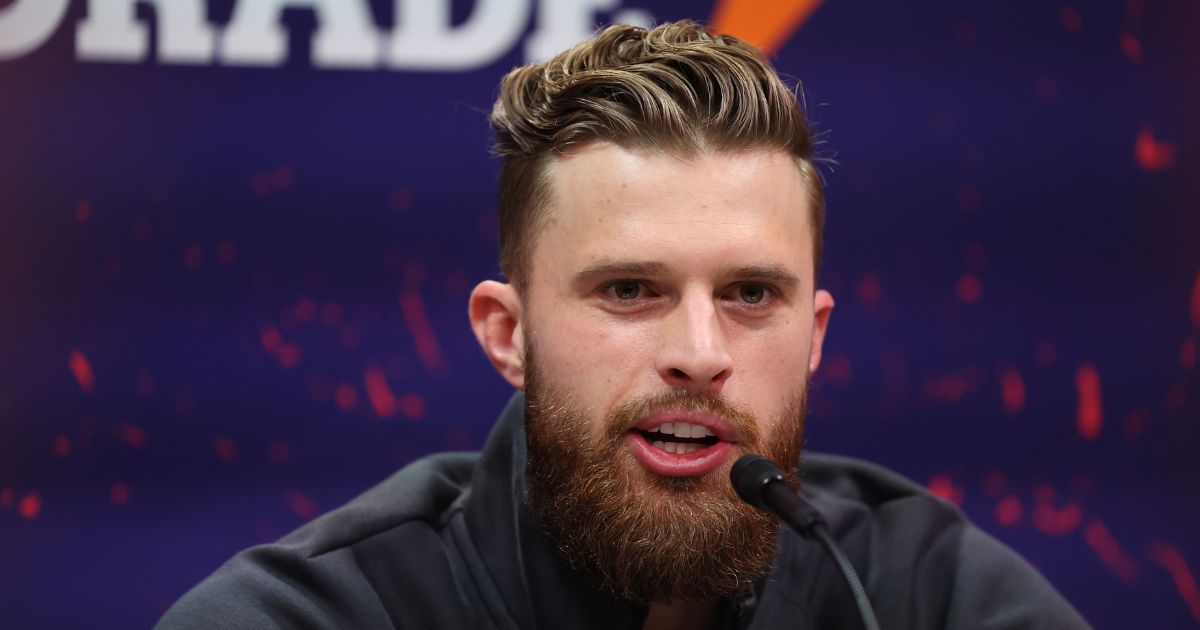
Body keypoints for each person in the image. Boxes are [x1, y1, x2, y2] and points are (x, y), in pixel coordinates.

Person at [156, 20, 1089, 630]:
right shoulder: (309, 617)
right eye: (631, 289)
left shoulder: (934, 598)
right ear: (506, 334)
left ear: (814, 333)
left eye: (752, 295)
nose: (699, 353)